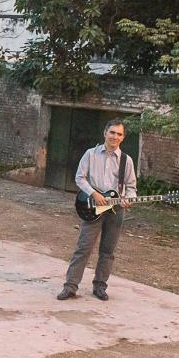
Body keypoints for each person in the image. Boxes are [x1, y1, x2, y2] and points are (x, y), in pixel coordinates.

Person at [58, 119, 137, 302]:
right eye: (112, 132)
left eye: (119, 134)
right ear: (105, 133)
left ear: (123, 137)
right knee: (83, 248)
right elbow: (80, 178)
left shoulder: (126, 160)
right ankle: (70, 287)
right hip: (92, 207)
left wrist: (129, 198)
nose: (115, 137)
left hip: (116, 210)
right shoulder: (90, 154)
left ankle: (100, 287)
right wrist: (94, 194)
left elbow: (131, 187)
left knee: (108, 251)